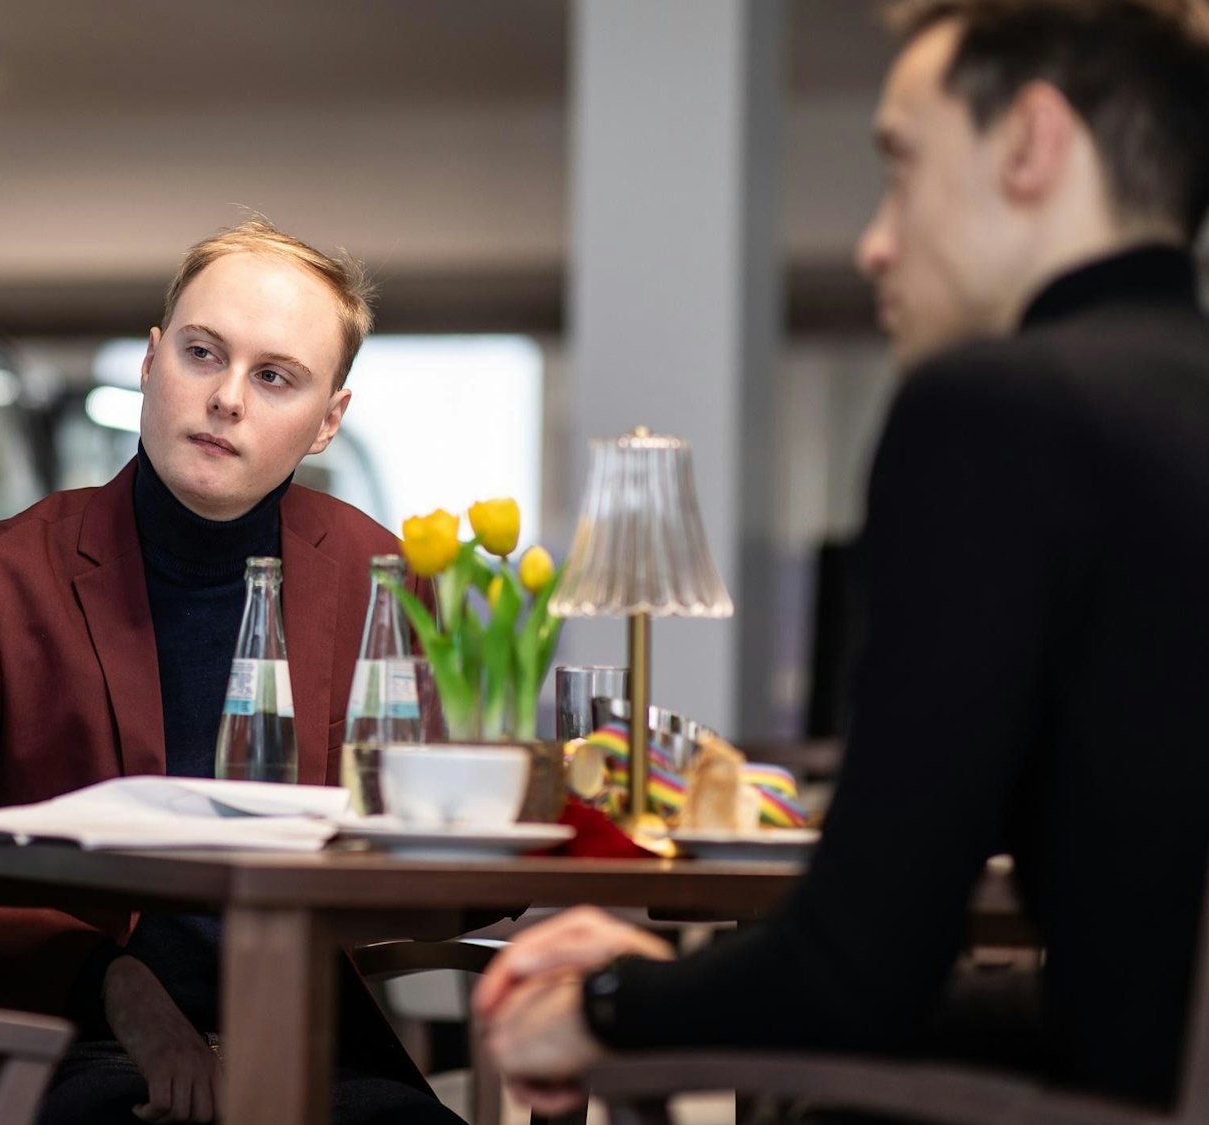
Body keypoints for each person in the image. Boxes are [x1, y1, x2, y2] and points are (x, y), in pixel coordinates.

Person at [472, 0, 1209, 1114]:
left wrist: (597, 1009)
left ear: (1028, 144)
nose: (874, 238)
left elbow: (859, 969)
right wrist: (668, 984)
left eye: (901, 167)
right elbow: (1127, 1011)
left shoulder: (996, 413)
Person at [0, 219, 461, 1124]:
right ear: (152, 362)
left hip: (310, 1043)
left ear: (328, 422)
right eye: (203, 354)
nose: (227, 397)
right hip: (62, 1037)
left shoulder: (379, 575)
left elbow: (439, 828)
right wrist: (117, 986)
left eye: (274, 376)